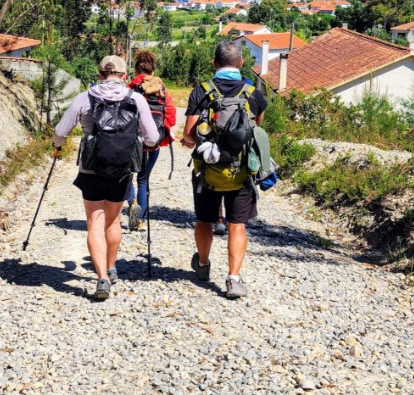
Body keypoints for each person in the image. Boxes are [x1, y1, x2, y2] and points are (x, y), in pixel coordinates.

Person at [53, 55, 159, 300]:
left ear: (100, 74)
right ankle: (111, 268)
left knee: (94, 223)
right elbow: (152, 138)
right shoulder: (136, 99)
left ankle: (101, 278)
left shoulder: (85, 97)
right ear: (125, 77)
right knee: (112, 222)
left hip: (91, 169)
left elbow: (60, 131)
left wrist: (56, 145)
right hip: (121, 170)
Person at [180, 40, 267, 299]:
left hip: (207, 172)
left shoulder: (202, 91)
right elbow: (257, 131)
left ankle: (204, 265)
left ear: (214, 63)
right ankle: (233, 278)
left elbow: (188, 134)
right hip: (242, 174)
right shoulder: (254, 93)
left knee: (204, 220)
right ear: (241, 63)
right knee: (237, 225)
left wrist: (192, 142)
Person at [125, 50, 177, 232]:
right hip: (153, 144)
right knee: (144, 180)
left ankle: (131, 203)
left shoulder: (130, 88)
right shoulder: (162, 90)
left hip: (131, 142)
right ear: (153, 70)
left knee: (127, 176)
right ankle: (140, 221)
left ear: (136, 68)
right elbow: (170, 117)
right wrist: (163, 136)